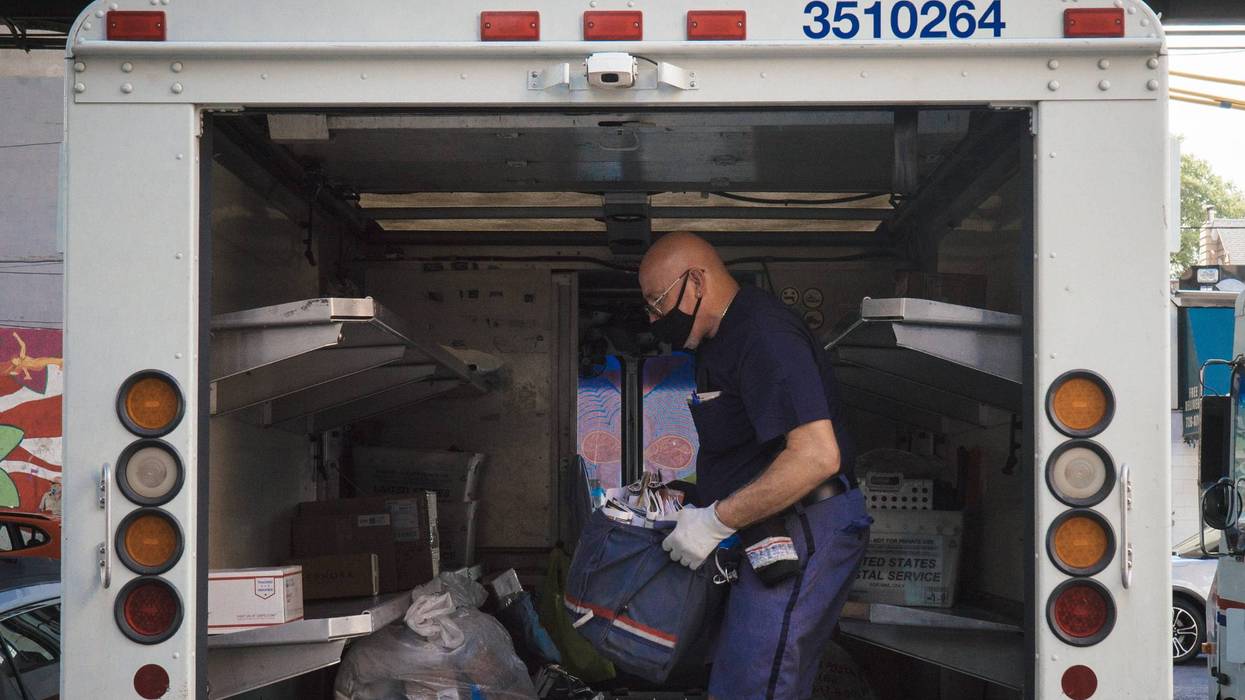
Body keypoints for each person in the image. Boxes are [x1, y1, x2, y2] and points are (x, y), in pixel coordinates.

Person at [638, 232, 870, 700]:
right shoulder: (715, 343)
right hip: (767, 530)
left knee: (755, 683)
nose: (653, 319)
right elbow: (745, 452)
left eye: (658, 302)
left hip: (804, 526)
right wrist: (692, 498)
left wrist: (714, 522)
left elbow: (817, 455)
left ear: (697, 281)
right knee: (741, 677)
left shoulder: (762, 333)